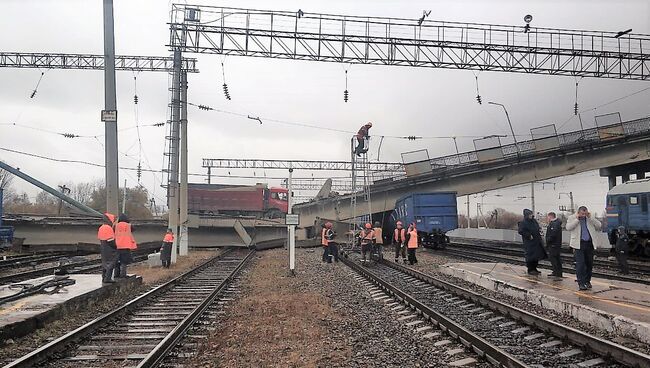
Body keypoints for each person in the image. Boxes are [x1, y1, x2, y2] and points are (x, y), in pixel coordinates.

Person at [566, 206, 602, 291]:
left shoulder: (590, 218)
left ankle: (587, 281)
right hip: (578, 244)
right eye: (582, 213)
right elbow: (568, 227)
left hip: (589, 244)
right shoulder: (572, 218)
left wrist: (590, 217)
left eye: (585, 214)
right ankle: (581, 283)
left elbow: (599, 226)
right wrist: (577, 219)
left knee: (589, 264)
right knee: (580, 264)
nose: (583, 215)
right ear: (578, 212)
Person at [518, 209, 547, 275]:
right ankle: (530, 269)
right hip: (529, 242)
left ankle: (535, 268)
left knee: (536, 255)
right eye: (530, 214)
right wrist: (528, 235)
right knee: (530, 255)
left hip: (536, 241)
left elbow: (538, 228)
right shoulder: (523, 222)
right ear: (527, 215)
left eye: (531, 214)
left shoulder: (534, 221)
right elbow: (520, 231)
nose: (531, 215)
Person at [114, 214, 138, 278]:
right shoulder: (129, 226)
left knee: (117, 261)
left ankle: (116, 275)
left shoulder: (115, 226)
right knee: (124, 261)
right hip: (126, 246)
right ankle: (123, 275)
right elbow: (134, 229)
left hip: (117, 246)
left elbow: (113, 231)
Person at [97, 212, 117, 284]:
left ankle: (103, 277)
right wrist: (116, 246)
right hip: (109, 247)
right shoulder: (108, 228)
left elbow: (100, 238)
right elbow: (110, 240)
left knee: (105, 263)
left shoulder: (101, 227)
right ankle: (108, 278)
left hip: (103, 246)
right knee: (111, 263)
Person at [545, 212, 563, 279]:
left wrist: (548, 240)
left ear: (550, 216)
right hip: (556, 244)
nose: (547, 218)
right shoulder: (556, 223)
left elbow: (553, 234)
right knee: (557, 259)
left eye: (548, 217)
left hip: (553, 245)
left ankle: (556, 273)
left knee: (554, 259)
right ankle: (558, 273)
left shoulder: (554, 224)